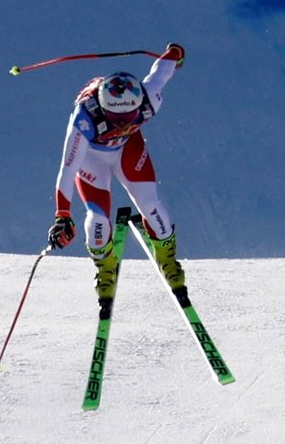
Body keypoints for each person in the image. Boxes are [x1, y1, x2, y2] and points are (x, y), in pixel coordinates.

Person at [46, 43, 188, 307]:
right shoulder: (85, 117)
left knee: (151, 204)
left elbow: (161, 72)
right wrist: (63, 214)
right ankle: (105, 267)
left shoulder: (149, 98)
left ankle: (168, 259)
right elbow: (68, 168)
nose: (122, 122)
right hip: (92, 158)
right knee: (97, 217)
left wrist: (174, 54)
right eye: (115, 116)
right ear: (103, 107)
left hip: (127, 149)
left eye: (129, 115)